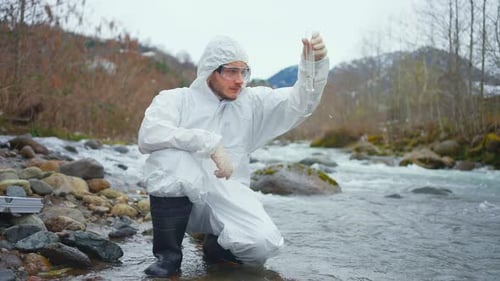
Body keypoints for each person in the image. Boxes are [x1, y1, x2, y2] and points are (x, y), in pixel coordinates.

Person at [138, 32, 329, 278]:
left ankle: (217, 249)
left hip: (227, 192)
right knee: (171, 156)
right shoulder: (176, 99)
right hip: (179, 194)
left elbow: (300, 103)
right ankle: (168, 258)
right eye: (231, 71)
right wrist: (210, 144)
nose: (240, 80)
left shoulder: (252, 103)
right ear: (210, 71)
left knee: (262, 245)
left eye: (244, 72)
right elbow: (149, 135)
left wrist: (315, 65)